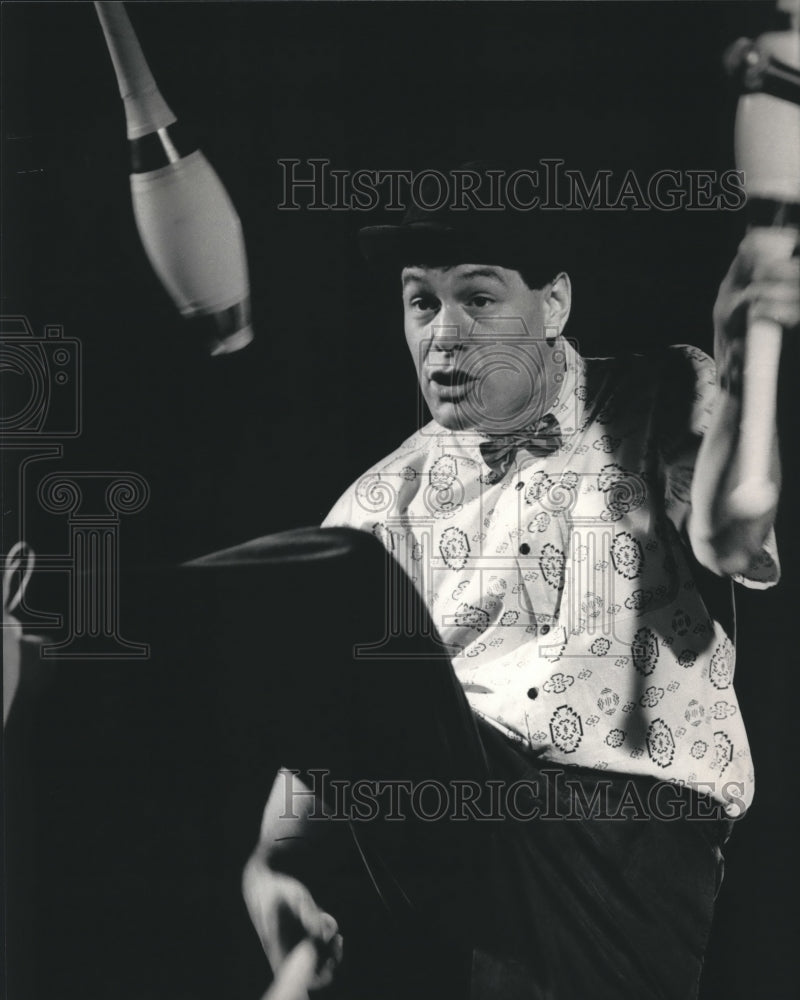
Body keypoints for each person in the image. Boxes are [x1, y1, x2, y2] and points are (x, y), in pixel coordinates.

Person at [239, 167, 800, 999]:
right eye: (422, 304)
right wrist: (270, 865)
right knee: (327, 588)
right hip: (458, 822)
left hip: (626, 834)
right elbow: (336, 718)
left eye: (478, 299)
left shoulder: (656, 392)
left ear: (556, 303)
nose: (445, 336)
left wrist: (748, 368)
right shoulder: (376, 501)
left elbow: (732, 535)